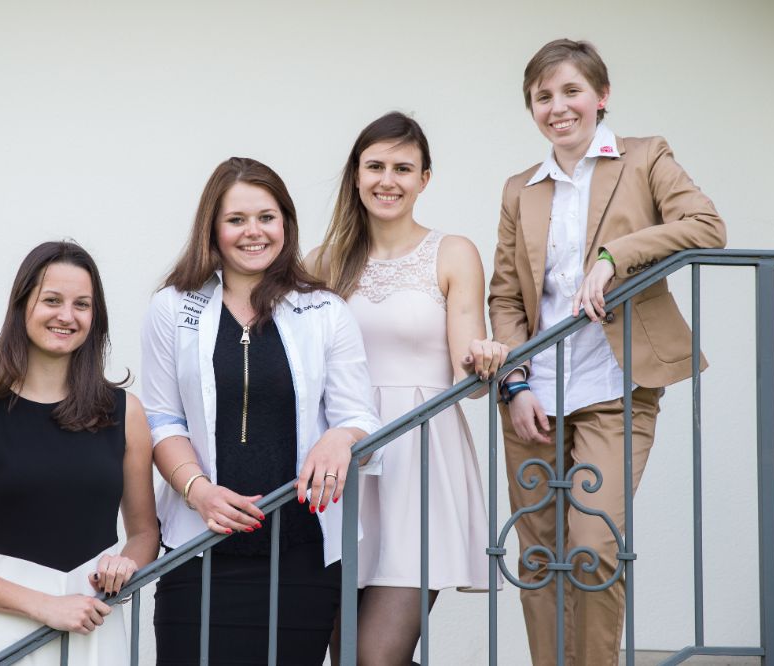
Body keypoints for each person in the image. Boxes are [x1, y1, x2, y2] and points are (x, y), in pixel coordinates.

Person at [488, 39, 726, 665]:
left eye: (570, 91)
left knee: (592, 544)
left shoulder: (645, 158)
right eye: (543, 96)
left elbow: (705, 225)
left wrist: (616, 255)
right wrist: (514, 385)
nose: (557, 107)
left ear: (602, 96)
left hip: (616, 387)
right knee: (538, 555)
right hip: (534, 395)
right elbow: (507, 299)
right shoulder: (521, 189)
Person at [141, 157, 381, 665]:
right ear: (213, 229)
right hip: (197, 549)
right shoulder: (172, 307)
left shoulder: (325, 311)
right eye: (236, 220)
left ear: (286, 225)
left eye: (267, 217)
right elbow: (162, 420)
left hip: (299, 553)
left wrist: (341, 438)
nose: (254, 232)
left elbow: (358, 411)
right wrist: (198, 492)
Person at [307, 111, 508, 665]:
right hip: (343, 463)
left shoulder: (453, 252)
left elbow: (466, 384)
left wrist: (483, 359)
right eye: (375, 166)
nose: (387, 180)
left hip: (422, 459)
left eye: (402, 167)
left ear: (425, 178)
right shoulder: (321, 263)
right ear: (355, 174)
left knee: (375, 656)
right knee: (345, 652)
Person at [0, 241, 159, 666]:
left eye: (82, 304)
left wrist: (125, 564)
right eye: (52, 300)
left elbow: (144, 534)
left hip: (92, 622)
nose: (67, 316)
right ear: (21, 306)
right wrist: (43, 604)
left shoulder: (125, 413)